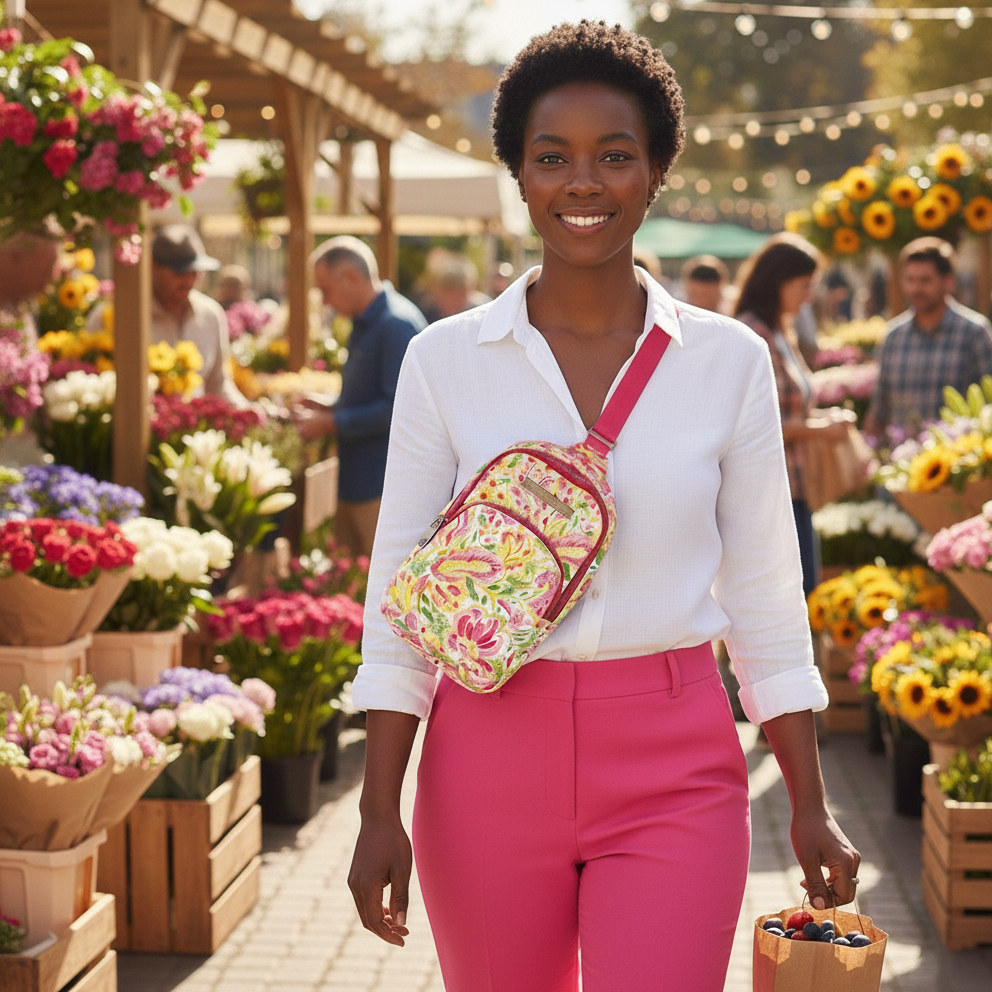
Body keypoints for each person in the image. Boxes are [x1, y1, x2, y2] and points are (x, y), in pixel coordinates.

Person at [347, 22, 859, 992]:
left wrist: (808, 800)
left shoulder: (727, 362)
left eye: (613, 155)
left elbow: (760, 587)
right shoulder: (443, 359)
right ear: (518, 172)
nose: (582, 182)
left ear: (656, 170)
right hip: (484, 753)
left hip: (675, 757)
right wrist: (380, 806)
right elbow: (397, 592)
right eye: (552, 157)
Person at [733, 233, 852, 598]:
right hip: (767, 492)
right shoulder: (753, 333)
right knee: (783, 598)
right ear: (777, 282)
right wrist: (819, 430)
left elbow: (790, 404)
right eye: (804, 285)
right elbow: (748, 426)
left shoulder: (781, 330)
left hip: (796, 486)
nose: (809, 295)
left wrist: (822, 420)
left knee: (803, 595)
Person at [294, 236, 425, 558]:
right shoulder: (367, 320)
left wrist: (332, 423)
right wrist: (331, 406)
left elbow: (399, 409)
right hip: (360, 479)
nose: (325, 301)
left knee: (382, 583)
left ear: (352, 277)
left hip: (383, 486)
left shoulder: (395, 324)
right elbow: (376, 393)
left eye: (326, 290)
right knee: (351, 583)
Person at [87, 225, 248, 406]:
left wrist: (249, 411)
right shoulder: (115, 316)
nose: (188, 280)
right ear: (154, 266)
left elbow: (218, 385)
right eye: (179, 272)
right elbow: (94, 386)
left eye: (195, 272)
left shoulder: (211, 315)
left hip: (194, 428)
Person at [865, 237, 992, 439]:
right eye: (910, 280)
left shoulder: (973, 333)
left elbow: (989, 402)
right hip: (902, 462)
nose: (916, 289)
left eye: (925, 280)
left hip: (957, 461)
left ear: (948, 281)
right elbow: (880, 409)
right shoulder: (894, 337)